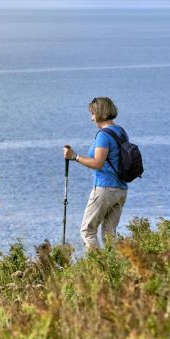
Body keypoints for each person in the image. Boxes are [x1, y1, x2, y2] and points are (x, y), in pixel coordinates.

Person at [63, 96, 129, 250]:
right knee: (109, 233)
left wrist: (75, 156)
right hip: (121, 190)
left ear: (100, 113)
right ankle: (114, 267)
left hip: (105, 189)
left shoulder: (104, 136)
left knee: (87, 231)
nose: (91, 118)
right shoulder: (121, 132)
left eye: (92, 113)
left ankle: (98, 266)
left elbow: (98, 163)